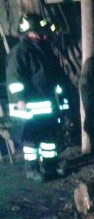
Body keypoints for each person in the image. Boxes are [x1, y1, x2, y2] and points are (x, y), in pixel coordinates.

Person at [5, 14, 65, 181]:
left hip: (46, 103)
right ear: (30, 32)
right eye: (39, 31)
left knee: (49, 139)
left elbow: (54, 75)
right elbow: (14, 78)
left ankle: (49, 167)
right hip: (28, 106)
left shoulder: (44, 49)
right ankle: (32, 170)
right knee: (32, 141)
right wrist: (19, 99)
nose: (43, 34)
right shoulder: (19, 52)